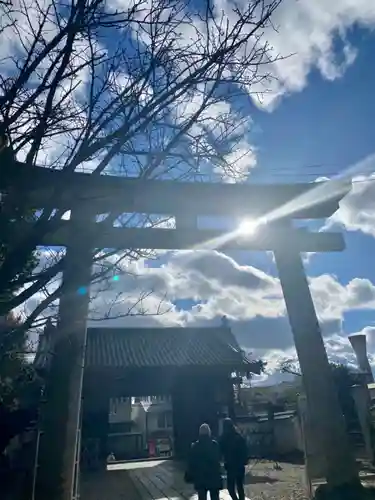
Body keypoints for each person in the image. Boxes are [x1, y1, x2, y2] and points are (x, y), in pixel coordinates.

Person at [185, 423, 222, 500]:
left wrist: (190, 474)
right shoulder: (214, 445)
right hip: (213, 476)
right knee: (215, 497)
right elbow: (218, 459)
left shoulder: (195, 446)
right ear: (209, 432)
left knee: (202, 497)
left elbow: (191, 463)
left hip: (200, 477)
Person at [219, 418, 248, 500]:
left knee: (230, 488)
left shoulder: (224, 438)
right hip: (240, 465)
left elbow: (219, 450)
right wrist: (245, 461)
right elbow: (245, 450)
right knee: (240, 486)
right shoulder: (239, 437)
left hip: (230, 466)